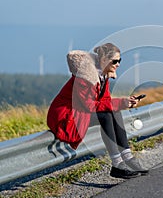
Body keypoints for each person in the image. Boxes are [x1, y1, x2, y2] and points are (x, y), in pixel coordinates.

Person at [47, 43, 148, 179]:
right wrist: (122, 102)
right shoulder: (84, 78)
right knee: (106, 114)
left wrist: (126, 102)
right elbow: (90, 106)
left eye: (120, 60)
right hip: (66, 118)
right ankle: (117, 164)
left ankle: (127, 156)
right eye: (115, 61)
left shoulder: (102, 75)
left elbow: (105, 101)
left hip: (80, 113)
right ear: (104, 60)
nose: (118, 64)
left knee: (114, 111)